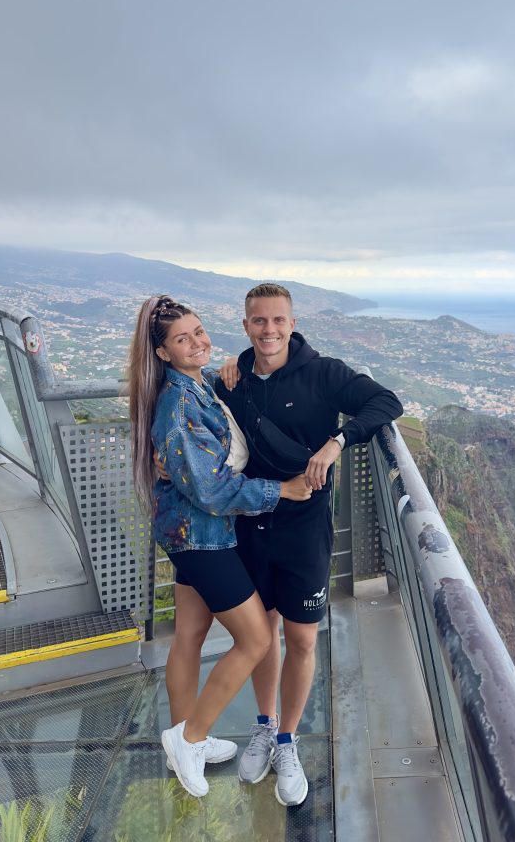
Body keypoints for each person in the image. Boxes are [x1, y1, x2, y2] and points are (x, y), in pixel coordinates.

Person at [216, 283, 403, 807]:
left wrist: (338, 439)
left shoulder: (323, 373)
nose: (269, 330)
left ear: (292, 323)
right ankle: (263, 724)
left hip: (305, 530)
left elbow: (386, 401)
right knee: (260, 635)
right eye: (259, 321)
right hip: (251, 525)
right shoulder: (234, 380)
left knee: (300, 639)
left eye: (278, 321)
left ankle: (286, 740)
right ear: (246, 324)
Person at [127, 295, 311, 799]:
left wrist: (228, 367)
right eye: (182, 339)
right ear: (162, 353)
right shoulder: (180, 401)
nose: (197, 343)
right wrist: (283, 491)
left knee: (188, 633)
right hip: (201, 537)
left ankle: (188, 736)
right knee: (255, 640)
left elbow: (188, 456)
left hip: (188, 532)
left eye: (199, 331)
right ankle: (190, 737)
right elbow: (210, 490)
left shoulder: (198, 385)